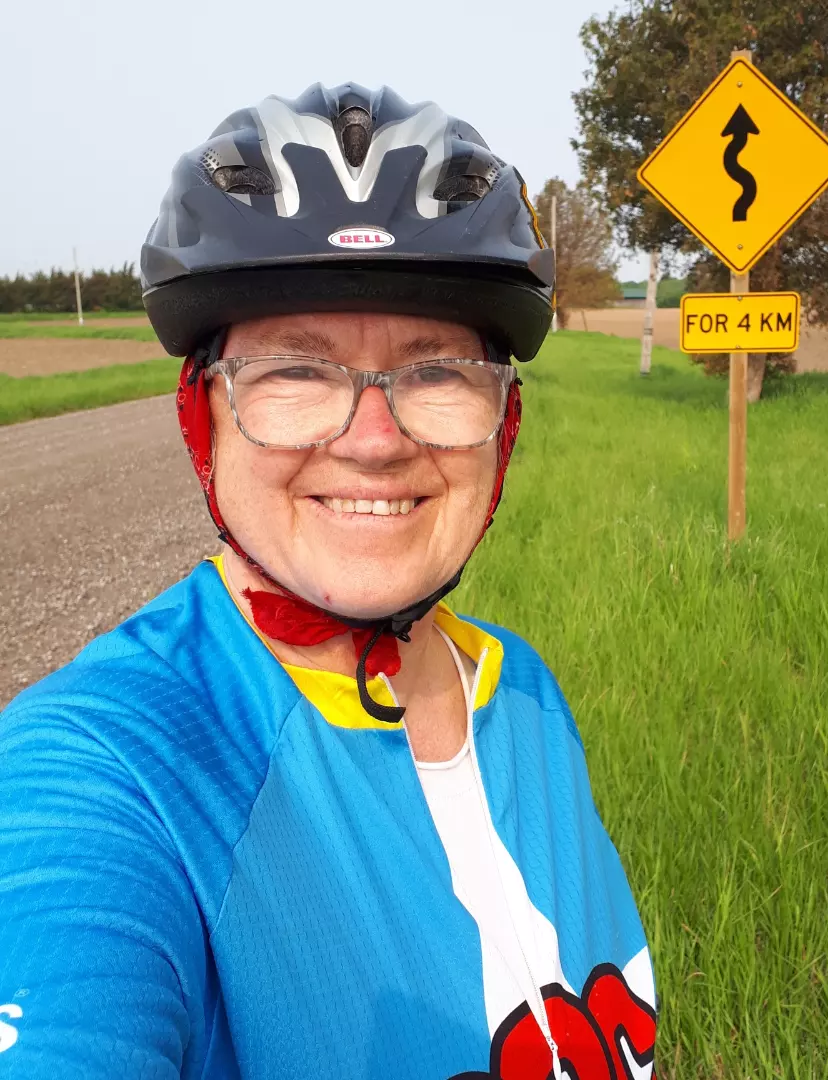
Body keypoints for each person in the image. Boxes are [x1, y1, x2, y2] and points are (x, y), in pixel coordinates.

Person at [0, 83, 656, 1079]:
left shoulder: (525, 695)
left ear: (504, 425)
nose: (374, 441)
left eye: (437, 373)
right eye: (296, 373)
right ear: (203, 418)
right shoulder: (108, 765)